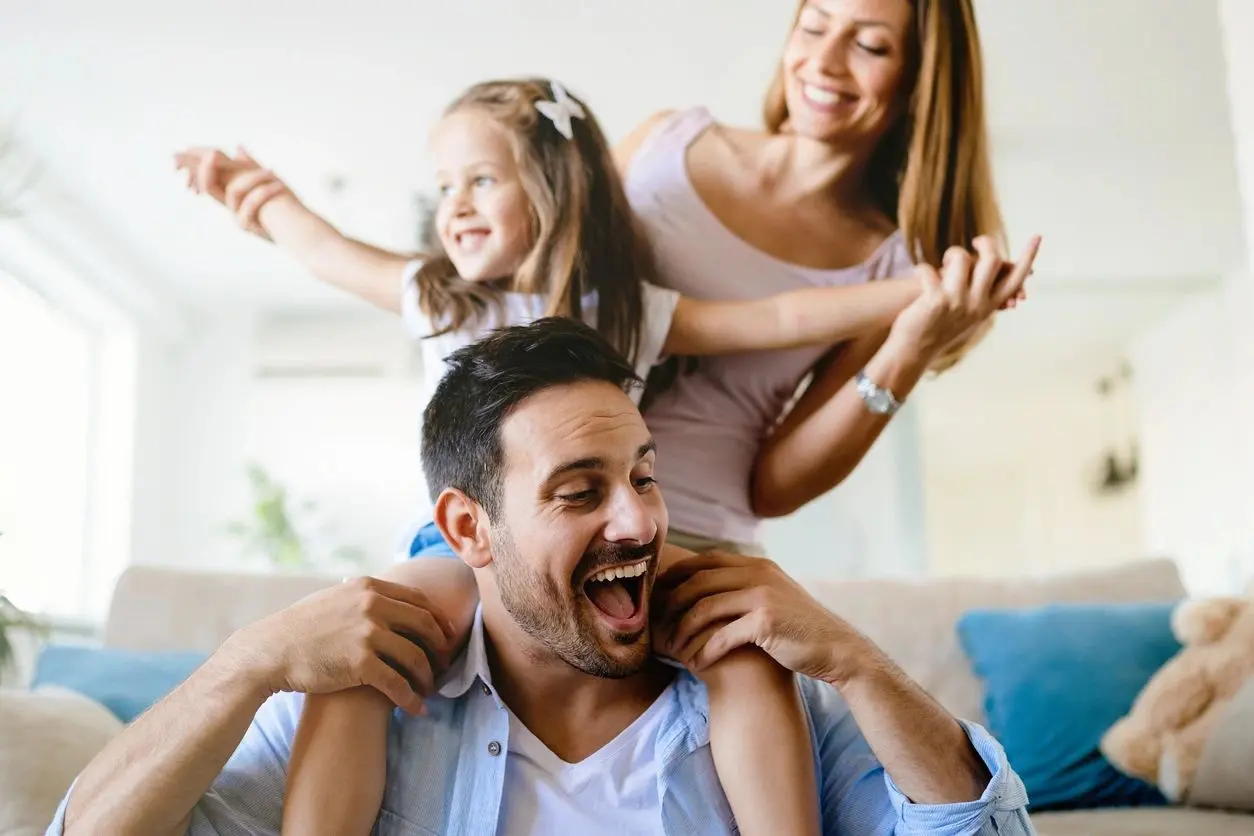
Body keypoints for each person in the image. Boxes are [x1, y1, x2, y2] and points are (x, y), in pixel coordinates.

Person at [174, 75, 1035, 836]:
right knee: (362, 651)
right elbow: (325, 250)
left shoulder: (628, 309)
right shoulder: (439, 296)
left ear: (549, 190)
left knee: (740, 653)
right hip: (455, 555)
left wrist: (930, 292)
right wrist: (258, 196)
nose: (455, 205)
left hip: (610, 558)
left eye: (480, 180)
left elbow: (774, 321)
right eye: (444, 185)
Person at [48, 318, 1034, 836]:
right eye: (579, 491)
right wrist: (244, 664)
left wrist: (860, 663)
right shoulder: (362, 686)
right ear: (468, 526)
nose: (641, 519)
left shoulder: (765, 682)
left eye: (644, 474)